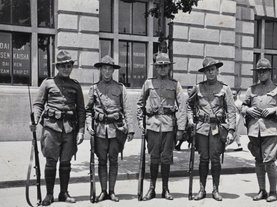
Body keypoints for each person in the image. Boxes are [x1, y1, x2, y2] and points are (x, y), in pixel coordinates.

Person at [29, 50, 85, 206]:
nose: (66, 69)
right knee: (51, 161)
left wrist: (81, 131)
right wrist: (35, 119)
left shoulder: (75, 86)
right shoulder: (47, 83)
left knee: (66, 162)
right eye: (63, 66)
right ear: (57, 67)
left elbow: (81, 110)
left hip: (69, 129)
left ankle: (64, 193)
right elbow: (38, 104)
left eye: (69, 66)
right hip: (51, 128)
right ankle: (49, 194)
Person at [241, 58, 277, 202]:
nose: (261, 74)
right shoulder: (252, 90)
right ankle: (262, 190)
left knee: (269, 161)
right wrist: (248, 110)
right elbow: (242, 106)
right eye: (259, 72)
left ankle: (273, 192)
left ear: (270, 72)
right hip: (254, 131)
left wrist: (273, 110)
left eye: (264, 71)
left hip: (270, 130)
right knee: (258, 160)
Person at [136, 53, 186, 201]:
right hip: (152, 125)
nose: (163, 68)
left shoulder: (175, 84)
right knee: (153, 157)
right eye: (160, 66)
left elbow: (182, 106)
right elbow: (140, 104)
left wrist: (181, 129)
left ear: (169, 67)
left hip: (169, 126)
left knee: (166, 158)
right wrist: (140, 121)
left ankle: (165, 188)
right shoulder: (148, 83)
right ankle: (152, 188)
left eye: (165, 65)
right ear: (156, 68)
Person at [85, 55, 135, 202]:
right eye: (104, 68)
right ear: (100, 69)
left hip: (116, 130)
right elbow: (88, 110)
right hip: (99, 129)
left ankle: (112, 191)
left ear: (113, 70)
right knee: (101, 161)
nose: (107, 71)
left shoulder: (120, 88)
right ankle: (103, 191)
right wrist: (89, 124)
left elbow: (127, 109)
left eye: (110, 68)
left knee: (113, 160)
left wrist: (130, 129)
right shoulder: (94, 88)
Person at [187, 57, 236, 201]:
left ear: (217, 70)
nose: (210, 72)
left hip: (217, 129)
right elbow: (189, 105)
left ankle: (215, 190)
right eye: (207, 70)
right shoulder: (198, 87)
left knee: (215, 159)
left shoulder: (224, 89)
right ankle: (202, 189)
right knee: (203, 159)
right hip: (201, 128)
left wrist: (231, 130)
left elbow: (231, 110)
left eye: (213, 69)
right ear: (204, 72)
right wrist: (190, 120)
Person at [175, 86, 193, 151]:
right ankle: (178, 145)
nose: (189, 92)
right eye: (188, 90)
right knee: (184, 133)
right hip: (185, 118)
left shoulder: (194, 99)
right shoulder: (185, 99)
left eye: (191, 90)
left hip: (191, 118)